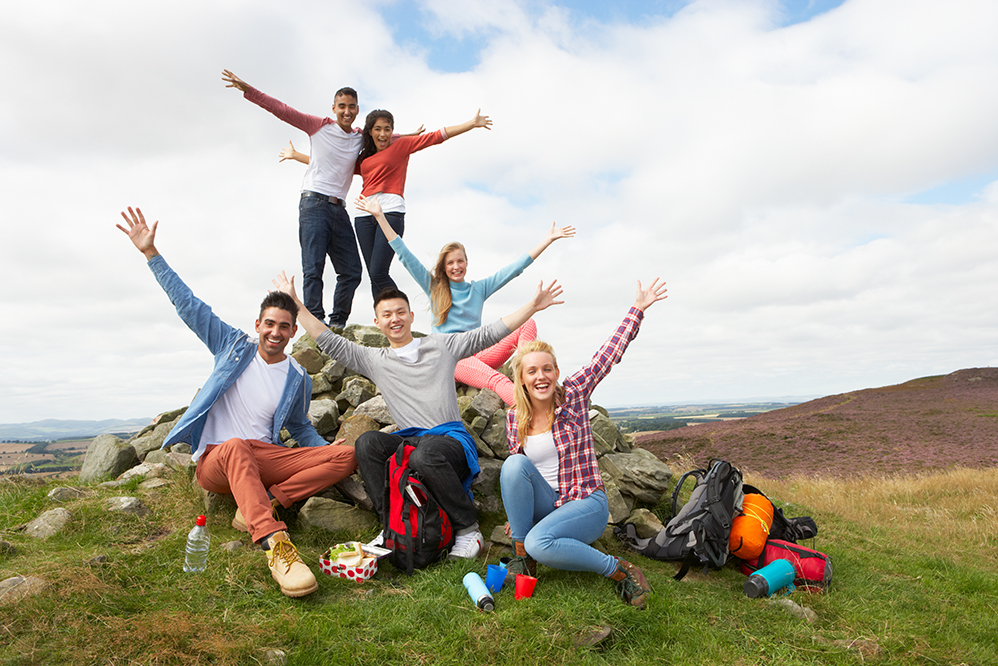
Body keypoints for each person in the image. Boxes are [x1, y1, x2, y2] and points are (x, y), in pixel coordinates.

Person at [117, 207, 357, 598]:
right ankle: (276, 544)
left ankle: (261, 505)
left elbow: (298, 427)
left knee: (347, 455)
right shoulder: (232, 347)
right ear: (257, 324)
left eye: (284, 326)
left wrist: (323, 451)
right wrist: (151, 254)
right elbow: (190, 306)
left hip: (264, 457)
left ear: (294, 331)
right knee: (234, 447)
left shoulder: (297, 375)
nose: (275, 332)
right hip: (218, 460)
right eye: (269, 324)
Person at [273, 271, 563, 560]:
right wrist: (296, 302)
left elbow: (489, 333)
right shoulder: (375, 360)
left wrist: (533, 306)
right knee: (367, 444)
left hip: (449, 441)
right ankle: (392, 527)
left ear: (412, 316)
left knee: (424, 455)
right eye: (387, 314)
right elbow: (330, 341)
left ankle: (468, 529)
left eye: (400, 312)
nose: (394, 318)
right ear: (378, 322)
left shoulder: (442, 346)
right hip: (412, 439)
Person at [499, 278, 669, 608]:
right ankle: (523, 557)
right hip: (549, 504)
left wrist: (637, 309)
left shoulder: (574, 395)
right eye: (532, 371)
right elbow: (518, 478)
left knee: (539, 541)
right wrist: (518, 516)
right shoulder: (513, 418)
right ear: (521, 378)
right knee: (513, 464)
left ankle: (620, 570)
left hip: (585, 503)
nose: (541, 377)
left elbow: (606, 356)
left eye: (547, 369)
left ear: (556, 371)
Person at [354, 195, 574, 405]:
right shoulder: (434, 287)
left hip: (479, 352)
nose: (456, 266)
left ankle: (528, 375)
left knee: (528, 322)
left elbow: (515, 269)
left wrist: (547, 240)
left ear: (467, 264)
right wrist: (380, 217)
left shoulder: (478, 289)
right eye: (450, 263)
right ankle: (535, 407)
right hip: (452, 360)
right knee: (498, 381)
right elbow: (403, 254)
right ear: (444, 266)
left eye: (460, 261)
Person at [285, 108, 492, 300]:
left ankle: (400, 311)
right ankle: (385, 320)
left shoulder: (402, 146)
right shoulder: (364, 157)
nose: (383, 134)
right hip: (364, 216)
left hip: (391, 212)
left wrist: (471, 123)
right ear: (370, 132)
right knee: (374, 276)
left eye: (387, 129)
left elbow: (438, 136)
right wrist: (296, 156)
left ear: (392, 131)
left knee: (379, 271)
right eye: (378, 129)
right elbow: (332, 163)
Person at [222, 69, 364, 329]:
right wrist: (248, 90)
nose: (346, 111)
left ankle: (337, 324)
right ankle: (315, 323)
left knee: (352, 270)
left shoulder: (359, 138)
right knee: (313, 268)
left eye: (351, 107)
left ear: (357, 109)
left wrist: (414, 137)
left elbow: (388, 140)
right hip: (314, 204)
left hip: (339, 208)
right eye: (341, 106)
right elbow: (283, 110)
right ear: (333, 108)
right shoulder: (318, 126)